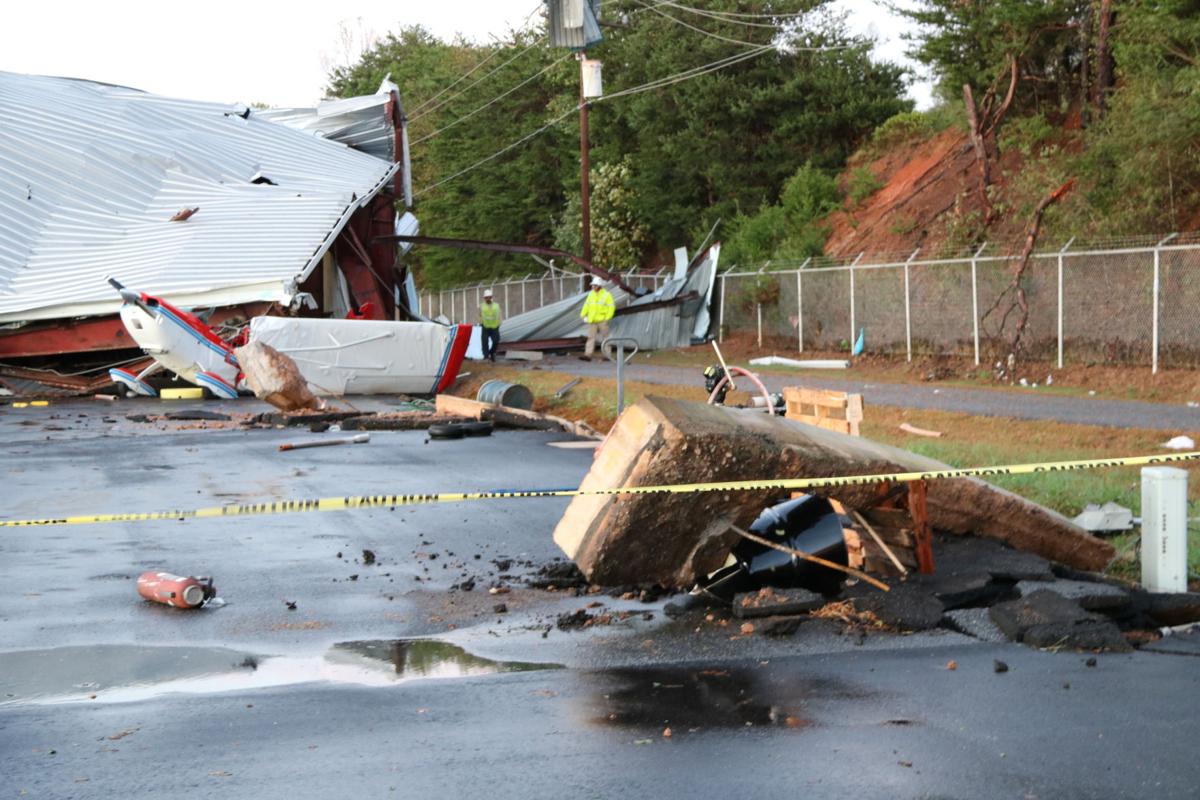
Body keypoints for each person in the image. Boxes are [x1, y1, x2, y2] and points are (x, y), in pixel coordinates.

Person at [579, 276, 615, 360]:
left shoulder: (607, 295)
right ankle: (588, 355)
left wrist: (607, 318)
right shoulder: (591, 294)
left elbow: (611, 307)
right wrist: (583, 315)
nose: (592, 287)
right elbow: (586, 305)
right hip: (592, 320)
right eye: (592, 285)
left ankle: (607, 355)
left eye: (594, 285)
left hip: (602, 320)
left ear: (599, 285)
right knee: (590, 337)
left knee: (605, 337)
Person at [479, 289, 502, 362]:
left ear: (491, 297)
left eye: (489, 297)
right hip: (485, 326)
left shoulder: (496, 305)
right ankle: (486, 356)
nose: (488, 298)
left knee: (496, 340)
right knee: (484, 341)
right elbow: (479, 315)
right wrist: (481, 323)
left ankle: (492, 352)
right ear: (484, 298)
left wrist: (499, 323)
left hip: (495, 326)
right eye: (486, 297)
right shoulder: (481, 306)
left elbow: (500, 315)